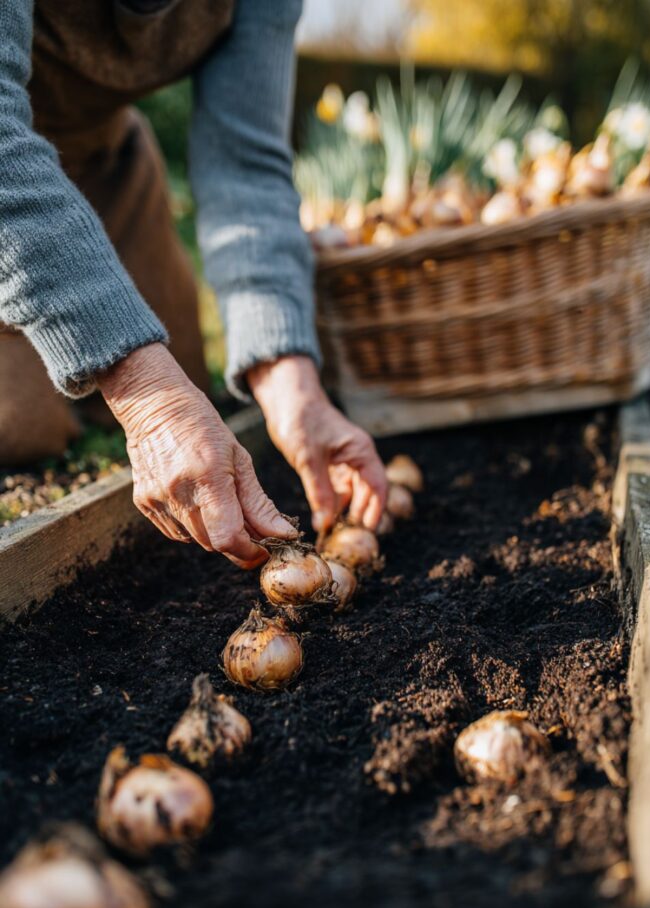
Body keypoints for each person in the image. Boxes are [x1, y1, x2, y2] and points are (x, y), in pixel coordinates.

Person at [0, 0, 386, 568]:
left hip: (102, 159)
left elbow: (247, 167)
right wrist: (151, 402)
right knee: (26, 427)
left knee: (199, 423)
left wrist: (289, 385)